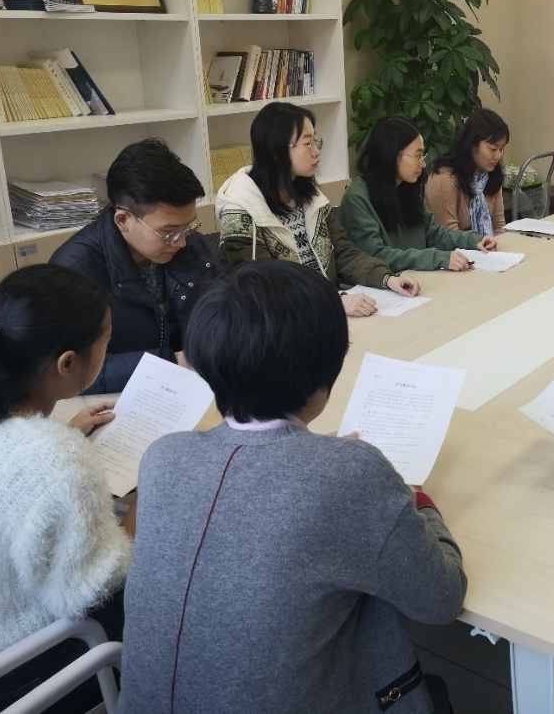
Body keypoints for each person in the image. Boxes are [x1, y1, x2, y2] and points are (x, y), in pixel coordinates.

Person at [119, 260, 467, 714]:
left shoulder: (164, 456)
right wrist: (416, 497)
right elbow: (442, 599)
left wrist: (322, 461)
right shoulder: (351, 474)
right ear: (328, 368)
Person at [0, 265, 132, 713]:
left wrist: (62, 435)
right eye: (107, 343)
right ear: (67, 363)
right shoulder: (56, 459)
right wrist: (147, 504)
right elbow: (97, 589)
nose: (108, 352)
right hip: (23, 676)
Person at [216, 102, 420, 317]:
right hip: (284, 324)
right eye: (308, 143)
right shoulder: (241, 212)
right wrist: (335, 301)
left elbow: (344, 252)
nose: (317, 151)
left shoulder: (310, 199)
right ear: (276, 150)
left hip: (326, 314)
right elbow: (263, 289)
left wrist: (387, 279)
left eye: (316, 141)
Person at [51, 138, 219, 393]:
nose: (182, 241)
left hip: (191, 385)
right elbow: (74, 371)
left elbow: (222, 311)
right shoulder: (74, 271)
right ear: (123, 220)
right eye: (169, 232)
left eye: (189, 226)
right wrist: (174, 362)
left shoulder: (188, 244)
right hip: (123, 398)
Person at [340, 116, 497, 272]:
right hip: (384, 283)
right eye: (417, 156)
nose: (423, 164)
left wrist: (474, 240)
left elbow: (434, 234)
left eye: (423, 156)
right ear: (392, 154)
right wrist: (436, 258)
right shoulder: (357, 197)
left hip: (418, 278)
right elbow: (376, 256)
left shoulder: (406, 187)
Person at [425, 108, 508, 235]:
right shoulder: (445, 180)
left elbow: (498, 227)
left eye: (501, 149)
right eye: (493, 149)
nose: (498, 156)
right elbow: (449, 238)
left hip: (486, 247)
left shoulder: (491, 175)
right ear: (471, 145)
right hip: (454, 247)